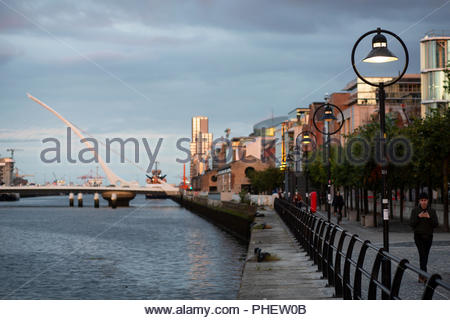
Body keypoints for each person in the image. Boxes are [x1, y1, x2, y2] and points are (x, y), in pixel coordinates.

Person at [409, 192, 439, 283]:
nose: (423, 202)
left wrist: (429, 217)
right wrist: (419, 216)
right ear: (419, 201)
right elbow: (411, 224)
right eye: (422, 200)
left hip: (429, 237)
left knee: (425, 256)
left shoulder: (432, 211)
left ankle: (422, 275)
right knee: (422, 255)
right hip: (418, 237)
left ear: (428, 201)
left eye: (425, 200)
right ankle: (423, 276)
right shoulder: (415, 211)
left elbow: (436, 224)